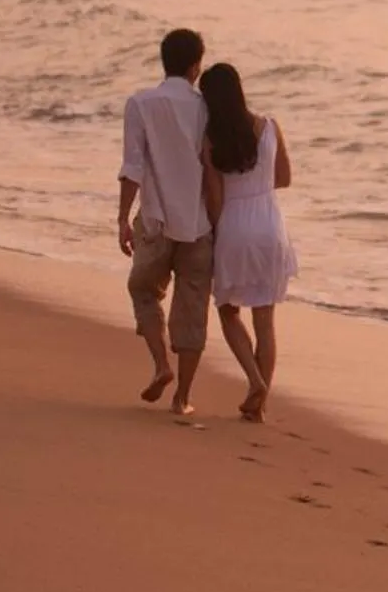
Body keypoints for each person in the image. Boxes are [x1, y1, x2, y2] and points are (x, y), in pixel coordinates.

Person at [118, 28, 213, 416]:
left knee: (143, 291)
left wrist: (122, 218)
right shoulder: (207, 108)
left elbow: (132, 167)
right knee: (192, 310)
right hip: (200, 222)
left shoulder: (140, 103)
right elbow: (214, 170)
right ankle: (183, 398)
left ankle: (161, 365)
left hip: (155, 219)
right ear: (196, 66)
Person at [200, 62, 298, 422]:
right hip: (270, 226)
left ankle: (255, 381)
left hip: (234, 226)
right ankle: (258, 405)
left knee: (227, 311)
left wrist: (213, 234)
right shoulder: (270, 127)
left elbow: (213, 196)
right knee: (265, 321)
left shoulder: (211, 140)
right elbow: (284, 178)